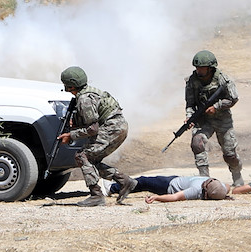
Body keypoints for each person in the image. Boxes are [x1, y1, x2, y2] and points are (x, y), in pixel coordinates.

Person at [57, 66, 136, 207]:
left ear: (70, 85)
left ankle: (96, 195)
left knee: (82, 156)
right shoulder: (90, 92)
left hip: (112, 128)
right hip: (118, 127)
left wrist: (71, 135)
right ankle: (124, 181)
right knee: (92, 160)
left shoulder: (84, 98)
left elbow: (93, 129)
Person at [184, 50, 244, 186]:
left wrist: (216, 107)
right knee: (197, 143)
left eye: (202, 68)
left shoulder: (222, 79)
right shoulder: (192, 81)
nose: (199, 70)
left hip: (223, 120)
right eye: (197, 67)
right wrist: (189, 118)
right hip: (203, 120)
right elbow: (190, 103)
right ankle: (204, 180)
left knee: (230, 155)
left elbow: (233, 98)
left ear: (210, 68)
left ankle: (237, 175)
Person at [106, 175, 230, 203]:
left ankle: (111, 188)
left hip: (172, 184)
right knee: (143, 182)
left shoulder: (198, 189)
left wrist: (156, 197)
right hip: (173, 182)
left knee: (143, 182)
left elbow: (175, 197)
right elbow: (227, 187)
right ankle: (113, 187)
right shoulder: (198, 189)